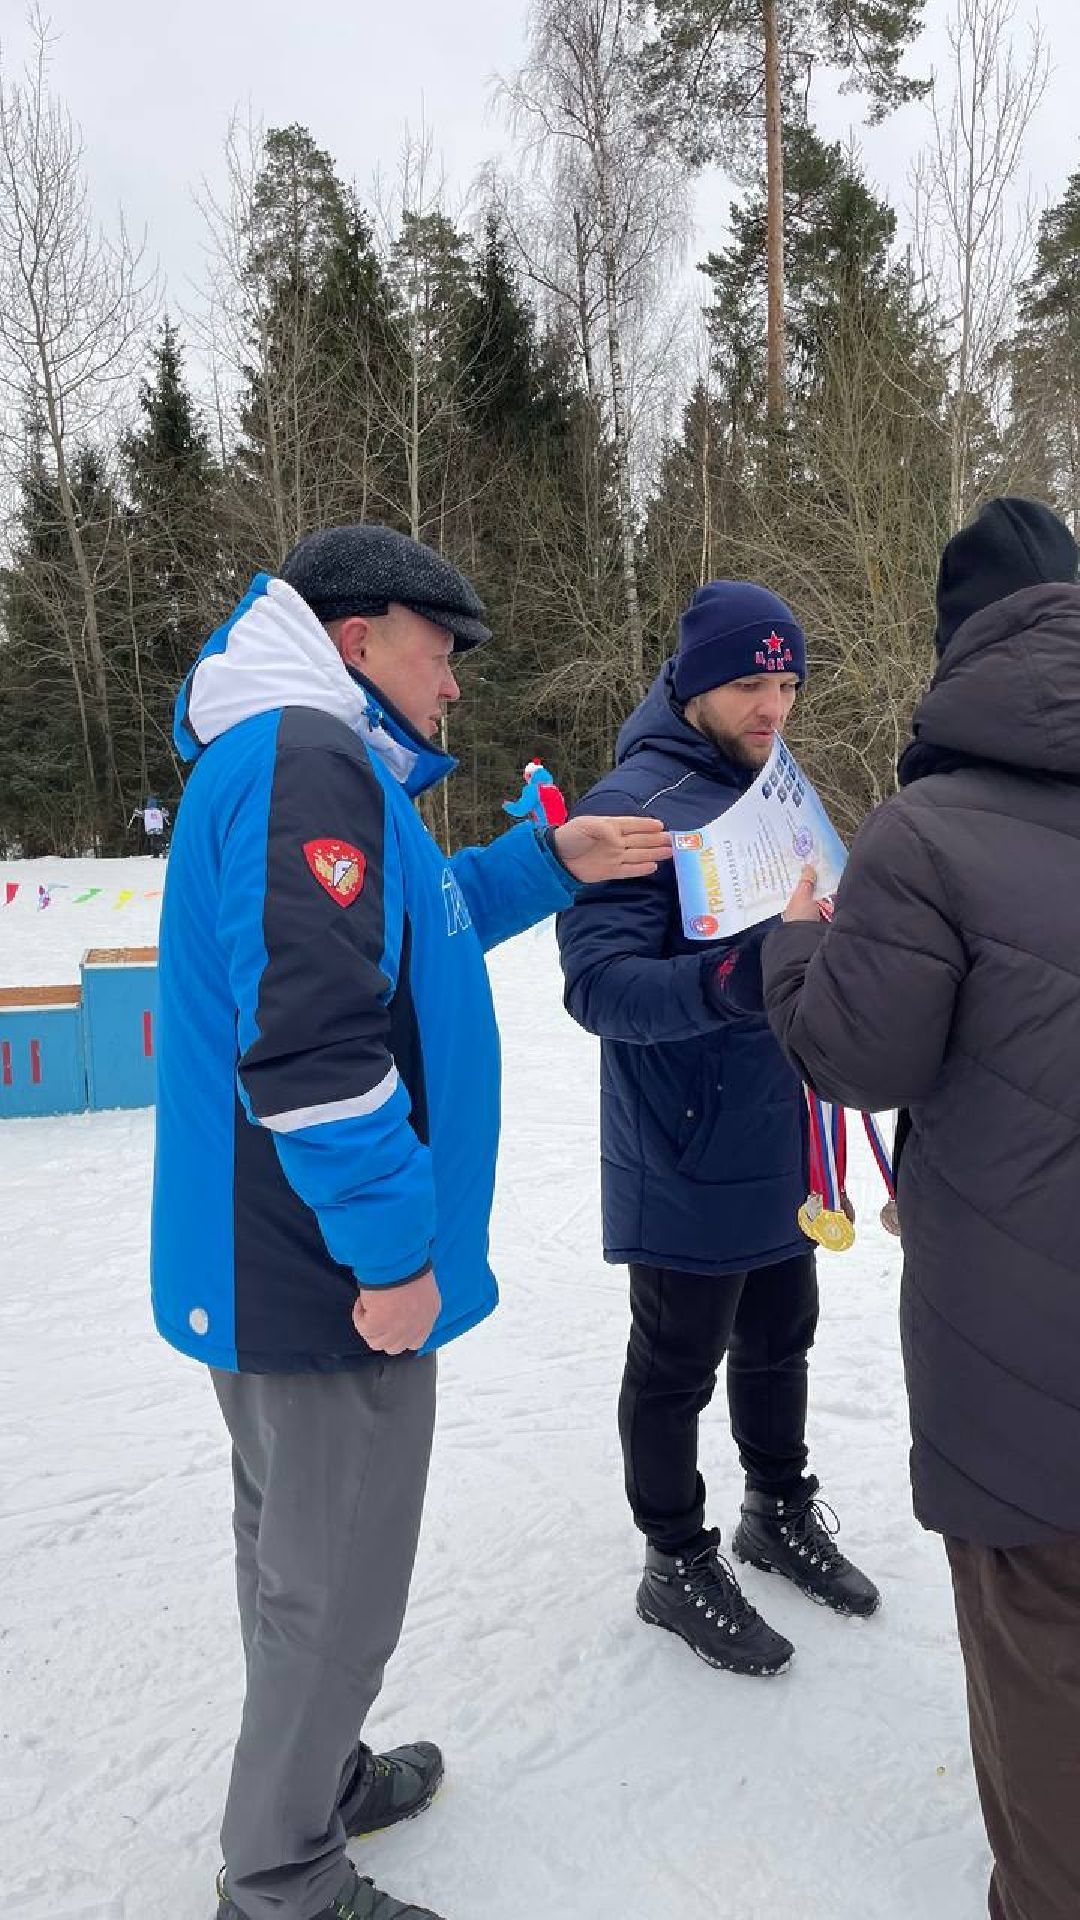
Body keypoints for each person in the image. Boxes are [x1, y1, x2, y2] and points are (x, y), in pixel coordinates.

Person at [151, 524, 671, 1920]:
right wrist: (392, 1260)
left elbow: (415, 922)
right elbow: (316, 1054)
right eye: (442, 654)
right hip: (320, 1278)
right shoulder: (306, 760)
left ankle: (307, 1781)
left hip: (273, 1266)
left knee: (294, 1568)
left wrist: (550, 861)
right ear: (357, 635)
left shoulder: (306, 757)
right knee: (335, 1594)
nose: (453, 689)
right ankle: (282, 1879)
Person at [761, 497, 1080, 1920]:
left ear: (959, 648)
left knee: (1041, 1647)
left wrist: (795, 943)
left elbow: (853, 1056)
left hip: (1023, 1356)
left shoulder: (924, 835)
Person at [556, 581, 879, 1681]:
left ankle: (774, 1507)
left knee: (785, 1328)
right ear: (695, 681)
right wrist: (745, 973)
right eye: (750, 681)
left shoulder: (778, 790)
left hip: (786, 1121)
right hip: (683, 1141)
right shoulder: (635, 803)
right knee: (677, 1359)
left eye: (788, 682)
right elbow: (599, 990)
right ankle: (674, 1556)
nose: (774, 704)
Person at [503, 759, 568, 828]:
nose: (526, 780)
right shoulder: (554, 788)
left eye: (526, 776)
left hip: (547, 829)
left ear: (530, 775)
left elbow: (521, 810)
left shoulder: (533, 789)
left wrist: (506, 805)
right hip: (563, 827)